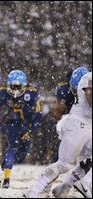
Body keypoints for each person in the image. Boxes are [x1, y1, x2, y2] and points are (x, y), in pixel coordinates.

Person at [25, 72, 92, 198]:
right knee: (64, 164)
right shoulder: (88, 77)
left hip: (86, 125)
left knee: (88, 161)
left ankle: (65, 187)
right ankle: (36, 189)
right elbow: (89, 96)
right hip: (79, 124)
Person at [0, 70, 42, 188]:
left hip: (27, 124)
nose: (15, 89)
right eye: (13, 86)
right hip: (12, 122)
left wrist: (31, 130)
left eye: (17, 86)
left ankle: (6, 163)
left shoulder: (32, 94)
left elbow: (37, 116)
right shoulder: (3, 93)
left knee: (22, 153)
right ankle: (6, 178)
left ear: (24, 85)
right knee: (13, 147)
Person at [51, 67, 91, 198]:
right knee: (65, 163)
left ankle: (64, 187)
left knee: (85, 162)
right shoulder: (65, 90)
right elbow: (57, 113)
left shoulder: (84, 87)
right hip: (74, 124)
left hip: (79, 125)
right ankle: (83, 183)